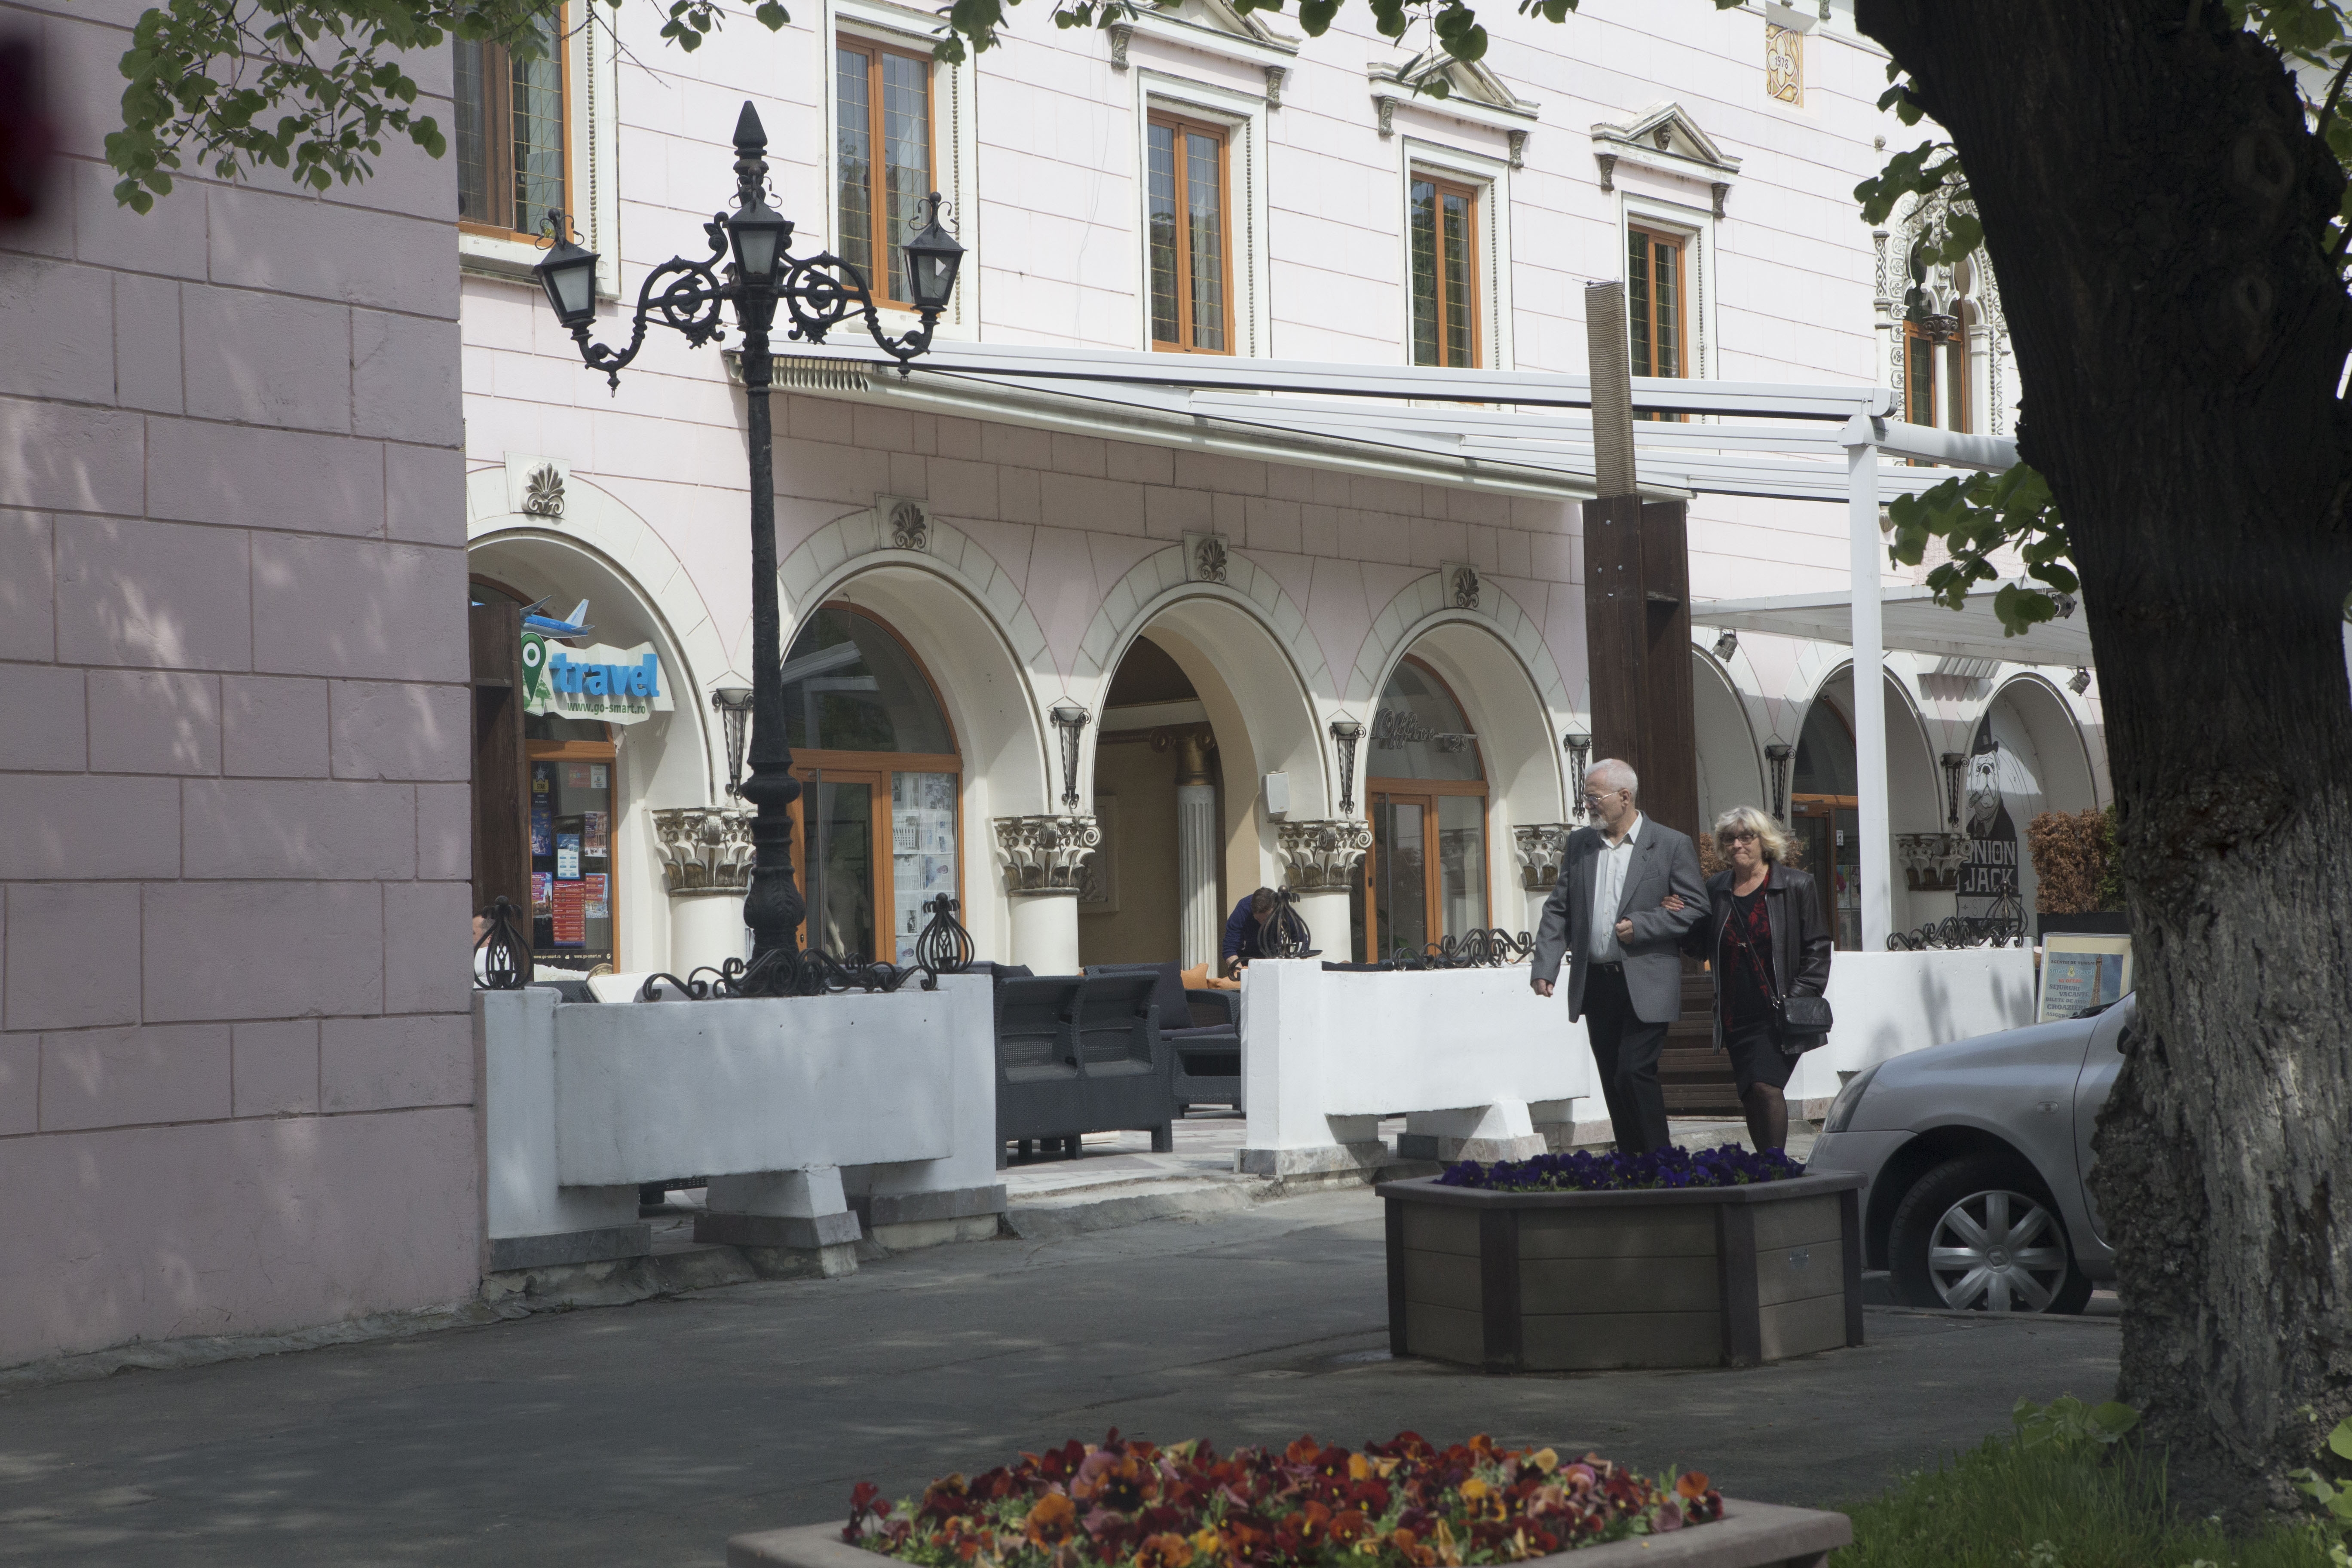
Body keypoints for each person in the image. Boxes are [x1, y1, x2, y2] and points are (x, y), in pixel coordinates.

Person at [1529, 760, 1709, 1154]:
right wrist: (1546, 965)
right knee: (1613, 1077)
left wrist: (1644, 926)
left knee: (1634, 1070)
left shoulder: (1670, 843)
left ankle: (1661, 1162)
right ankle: (1632, 1164)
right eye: (1586, 798)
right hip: (1598, 981)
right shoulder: (1580, 845)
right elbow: (1559, 909)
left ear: (1625, 797)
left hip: (1647, 981)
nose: (1588, 806)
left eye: (1594, 798)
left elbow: (1696, 906)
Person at [1672, 805, 1832, 1152]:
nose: (1737, 845)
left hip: (1778, 1012)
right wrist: (1681, 920)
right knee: (1749, 1093)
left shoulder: (1796, 885)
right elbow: (1700, 948)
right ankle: (1763, 1168)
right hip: (1735, 1012)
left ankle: (1775, 1167)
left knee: (1765, 1086)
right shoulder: (1716, 889)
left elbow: (1817, 946)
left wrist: (1798, 995)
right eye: (1729, 839)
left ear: (1764, 841)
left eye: (1746, 837)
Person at [1221, 886, 1282, 975]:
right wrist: (1241, 975)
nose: (1262, 924)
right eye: (1258, 920)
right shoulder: (1243, 909)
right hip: (1247, 963)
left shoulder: (1282, 909)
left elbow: (1301, 941)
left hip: (1276, 964)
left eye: (1267, 920)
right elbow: (1229, 948)